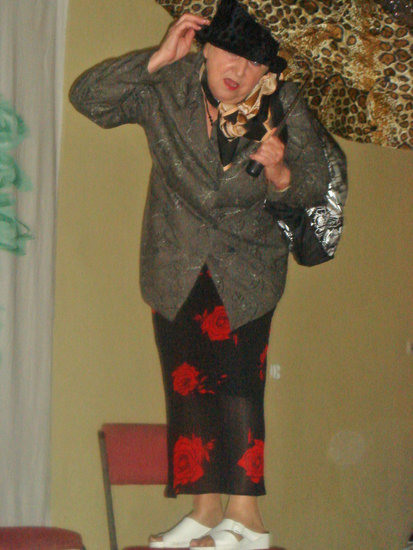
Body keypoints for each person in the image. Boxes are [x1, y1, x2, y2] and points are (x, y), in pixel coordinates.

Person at [69, 0, 347, 548]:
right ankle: (205, 510)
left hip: (247, 270)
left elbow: (315, 183)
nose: (238, 69)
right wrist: (155, 58)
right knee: (187, 387)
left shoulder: (284, 103)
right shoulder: (166, 84)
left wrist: (280, 171)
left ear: (268, 70)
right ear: (205, 45)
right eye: (229, 53)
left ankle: (247, 519)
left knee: (238, 387)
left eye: (254, 62)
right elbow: (89, 98)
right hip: (175, 263)